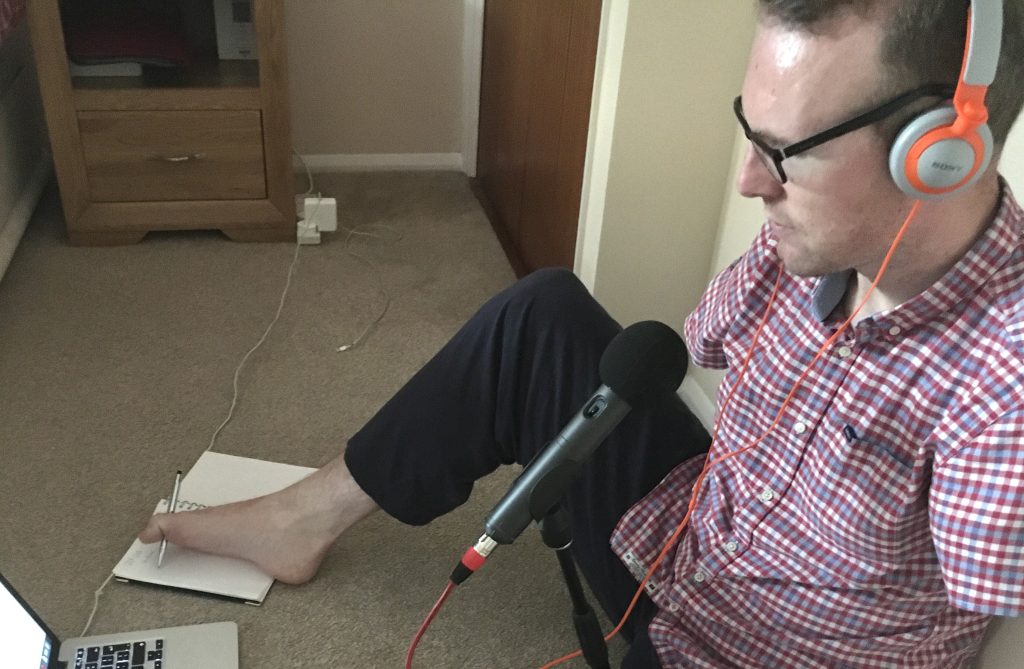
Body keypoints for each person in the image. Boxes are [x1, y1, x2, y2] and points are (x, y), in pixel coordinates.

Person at [139, 1, 1024, 666]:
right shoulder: (814, 231)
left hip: (751, 653)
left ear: (938, 156)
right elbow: (702, 344)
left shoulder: (1004, 387)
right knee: (544, 312)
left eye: (787, 153)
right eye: (750, 137)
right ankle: (302, 518)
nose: (751, 181)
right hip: (687, 533)